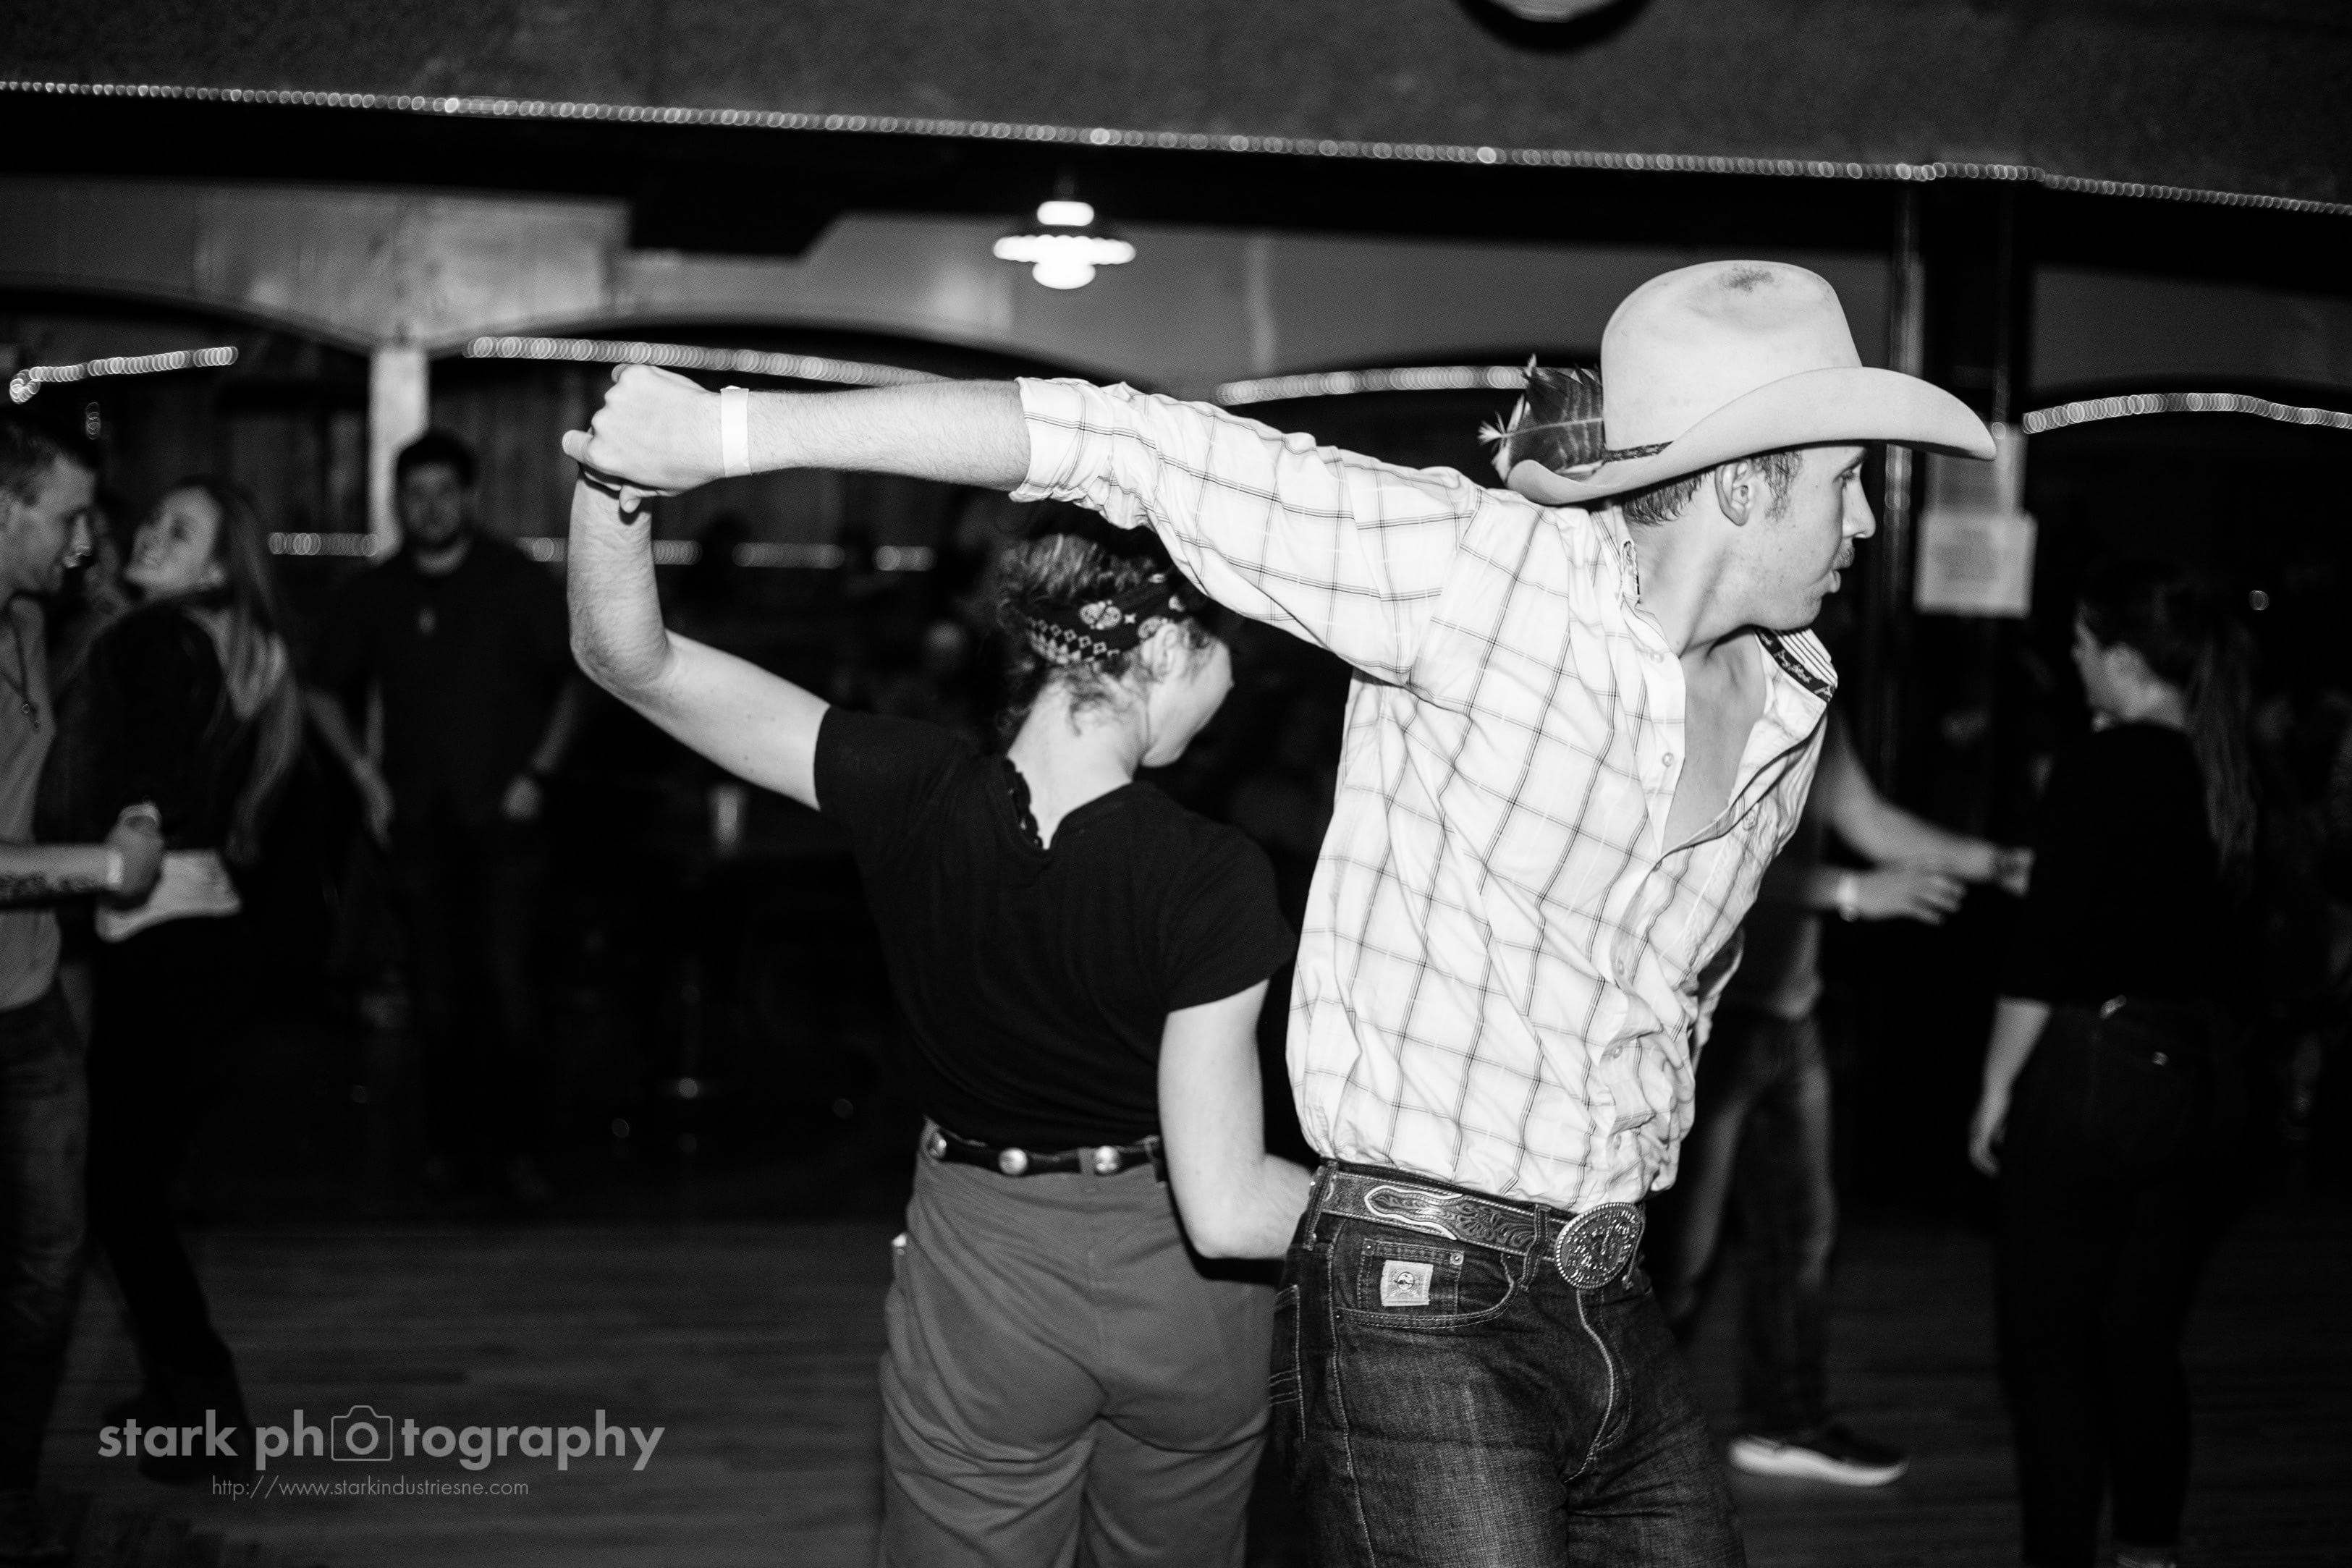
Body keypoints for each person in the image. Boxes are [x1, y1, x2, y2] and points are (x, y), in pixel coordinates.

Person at [563, 258, 1994, 1563]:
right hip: (1322, 1288)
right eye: (1844, 482)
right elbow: (1123, 441)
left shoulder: (1794, 696)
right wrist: (724, 435)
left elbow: (638, 665)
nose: (1867, 519)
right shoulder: (1365, 696)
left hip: (1533, 1282)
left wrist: (619, 487)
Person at [566, 480, 1308, 1566]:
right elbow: (1228, 1205)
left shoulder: (906, 788)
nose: (1234, 682)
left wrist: (608, 486)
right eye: (1226, 649)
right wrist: (1418, 1217)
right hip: (1183, 1297)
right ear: (1159, 646)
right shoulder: (1212, 873)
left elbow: (632, 661)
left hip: (983, 1273)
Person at [1649, 708, 2026, 1486]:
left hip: (1791, 1013)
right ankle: (1611, 1446)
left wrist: (1998, 863)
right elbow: (1701, 856)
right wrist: (1852, 891)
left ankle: (1785, 1422)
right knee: (1678, 1256)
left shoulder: (1821, 701)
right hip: (1709, 1022)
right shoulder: (1718, 683)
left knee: (1802, 1234)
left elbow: (1872, 822)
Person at [1968, 559, 2254, 1568]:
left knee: (2049, 1352)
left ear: (2126, 660)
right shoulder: (2229, 765)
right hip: (2199, 1082)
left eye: (2084, 647)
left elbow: (2043, 950)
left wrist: (1995, 1087)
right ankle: (2147, 1551)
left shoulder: (2101, 763)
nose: (2075, 662)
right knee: (2142, 1337)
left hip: (2095, 1076)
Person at [41, 478, 303, 1486]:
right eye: (153, 518)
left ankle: (207, 1409)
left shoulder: (156, 638)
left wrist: (137, 819)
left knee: (119, 1191)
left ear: (218, 566)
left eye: (180, 530)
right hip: (203, 932)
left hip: (162, 934)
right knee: (136, 1182)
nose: (152, 532)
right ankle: (177, 1393)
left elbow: (153, 757)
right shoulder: (244, 644)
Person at [303, 429, 588, 1203]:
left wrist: (539, 774)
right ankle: (448, 1151)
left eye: (443, 492)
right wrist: (364, 777)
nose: (429, 508)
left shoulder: (514, 579)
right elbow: (319, 688)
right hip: (419, 821)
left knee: (510, 987)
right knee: (435, 994)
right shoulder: (378, 590)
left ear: (470, 496)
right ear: (399, 500)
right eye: (415, 494)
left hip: (508, 818)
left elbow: (575, 681)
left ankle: (522, 1153)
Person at [0, 416, 163, 1563]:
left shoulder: (25, 616)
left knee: (51, 1259)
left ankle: (7, 1481)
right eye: (66, 514)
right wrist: (101, 867)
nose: (84, 538)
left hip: (30, 993)